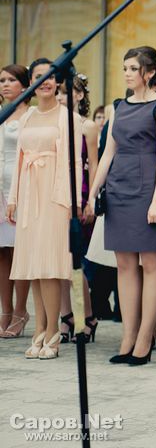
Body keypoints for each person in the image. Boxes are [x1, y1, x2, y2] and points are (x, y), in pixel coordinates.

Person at [86, 46, 156, 366]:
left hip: (147, 186)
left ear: (149, 73)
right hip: (118, 187)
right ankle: (128, 336)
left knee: (151, 263)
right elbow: (108, 153)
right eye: (124, 67)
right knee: (124, 264)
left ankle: (145, 337)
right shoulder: (118, 107)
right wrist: (93, 192)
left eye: (133, 68)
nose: (126, 73)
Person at [7, 58, 83, 359]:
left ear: (58, 81)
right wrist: (13, 198)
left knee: (50, 266)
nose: (46, 81)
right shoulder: (26, 116)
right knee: (34, 266)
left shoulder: (68, 117)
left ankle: (53, 331)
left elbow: (74, 162)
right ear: (31, 83)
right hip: (29, 195)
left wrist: (73, 203)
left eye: (50, 75)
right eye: (39, 76)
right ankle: (39, 330)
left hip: (55, 195)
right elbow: (19, 158)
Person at [56, 74, 100, 342]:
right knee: (56, 261)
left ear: (80, 95)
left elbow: (93, 163)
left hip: (79, 195)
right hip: (54, 195)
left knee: (74, 262)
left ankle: (86, 316)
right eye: (58, 93)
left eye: (65, 92)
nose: (60, 97)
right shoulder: (52, 124)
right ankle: (66, 317)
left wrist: (90, 200)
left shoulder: (87, 126)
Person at [0, 65, 31, 339]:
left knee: (19, 251)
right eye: (2, 80)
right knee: (2, 252)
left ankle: (21, 311)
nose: (5, 84)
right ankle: (5, 310)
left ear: (25, 84)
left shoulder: (30, 115)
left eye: (11, 80)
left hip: (20, 186)